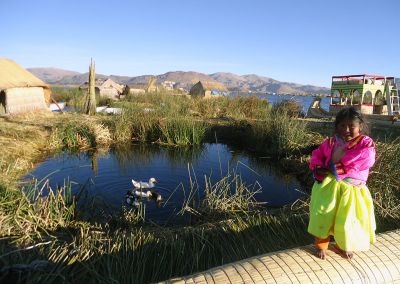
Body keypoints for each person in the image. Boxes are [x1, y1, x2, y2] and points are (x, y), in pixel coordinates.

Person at [308, 107, 376, 259]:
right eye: (342, 126)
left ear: (360, 127)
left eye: (351, 126)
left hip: (352, 190)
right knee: (324, 215)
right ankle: (321, 245)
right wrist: (318, 167)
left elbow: (366, 160)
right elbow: (317, 155)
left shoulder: (366, 143)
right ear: (337, 126)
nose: (346, 130)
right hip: (329, 187)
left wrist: (335, 165)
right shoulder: (331, 142)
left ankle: (343, 246)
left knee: (347, 220)